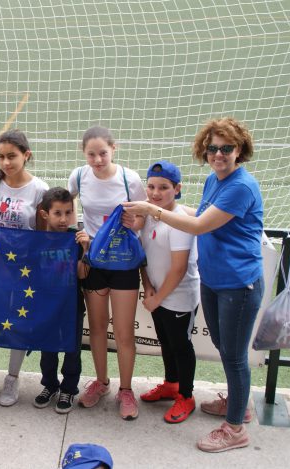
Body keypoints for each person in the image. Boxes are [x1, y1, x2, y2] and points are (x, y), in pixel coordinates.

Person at [124, 117, 263, 452]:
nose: (218, 154)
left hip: (237, 285)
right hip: (215, 281)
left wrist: (150, 209)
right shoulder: (216, 179)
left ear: (239, 149)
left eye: (226, 148)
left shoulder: (241, 186)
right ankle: (238, 405)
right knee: (221, 344)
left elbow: (199, 225)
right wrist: (162, 208)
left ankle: (234, 428)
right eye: (212, 148)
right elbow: (197, 211)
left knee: (233, 355)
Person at [68, 126, 146, 420]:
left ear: (114, 149)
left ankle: (126, 390)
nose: (98, 159)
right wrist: (80, 233)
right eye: (91, 154)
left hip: (124, 263)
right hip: (94, 263)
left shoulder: (130, 179)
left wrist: (134, 223)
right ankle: (101, 382)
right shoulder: (79, 176)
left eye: (103, 153)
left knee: (124, 332)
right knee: (98, 328)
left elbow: (142, 218)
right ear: (83, 153)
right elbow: (67, 203)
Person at [0, 129, 49, 407]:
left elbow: (42, 234)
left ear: (26, 155)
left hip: (26, 269)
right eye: (1, 157)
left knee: (18, 322)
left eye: (12, 156)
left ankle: (12, 377)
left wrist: (26, 263)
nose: (6, 162)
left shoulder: (40, 189)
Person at [137, 161, 200, 424]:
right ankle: (171, 384)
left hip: (178, 298)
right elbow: (144, 256)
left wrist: (158, 298)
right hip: (157, 295)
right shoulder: (150, 215)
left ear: (177, 189)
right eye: (151, 186)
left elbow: (178, 268)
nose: (155, 193)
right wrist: (149, 289)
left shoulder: (180, 221)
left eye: (163, 187)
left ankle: (186, 396)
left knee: (180, 346)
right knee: (165, 342)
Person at [33, 188, 89, 413]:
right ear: (45, 214)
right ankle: (50, 385)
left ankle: (69, 388)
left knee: (72, 349)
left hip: (71, 306)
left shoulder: (75, 239)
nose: (64, 219)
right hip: (46, 306)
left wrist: (85, 250)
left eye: (68, 212)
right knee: (47, 350)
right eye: (58, 213)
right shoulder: (37, 240)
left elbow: (82, 274)